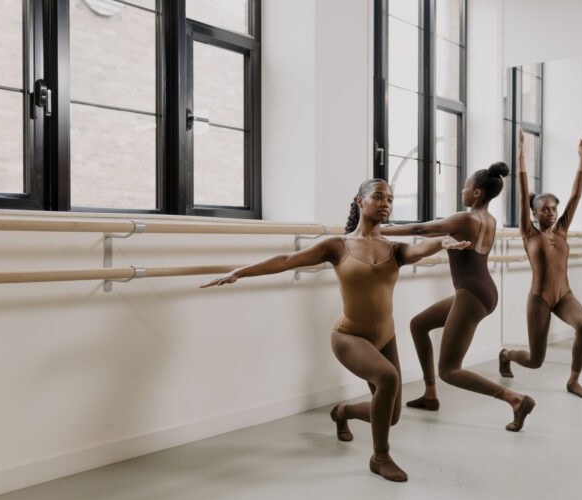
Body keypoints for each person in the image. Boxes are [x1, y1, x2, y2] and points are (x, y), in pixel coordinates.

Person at [200, 178, 467, 482]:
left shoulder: (394, 249)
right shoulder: (337, 246)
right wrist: (240, 272)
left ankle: (343, 413)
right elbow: (288, 260)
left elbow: (422, 247)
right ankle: (380, 457)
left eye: (390, 199)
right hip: (349, 336)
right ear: (360, 201)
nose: (385, 204)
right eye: (378, 197)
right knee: (388, 378)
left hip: (385, 337)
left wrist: (442, 242)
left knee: (390, 416)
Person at [380, 162, 535, 432]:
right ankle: (430, 395)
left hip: (472, 294)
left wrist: (380, 229)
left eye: (466, 186)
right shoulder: (489, 219)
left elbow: (421, 229)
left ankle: (515, 399)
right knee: (419, 324)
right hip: (481, 290)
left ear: (476, 193)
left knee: (450, 370)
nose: (462, 190)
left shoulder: (467, 219)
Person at [499, 130, 582, 398]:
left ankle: (573, 380)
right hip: (539, 298)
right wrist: (521, 158)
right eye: (545, 209)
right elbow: (523, 191)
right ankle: (507, 355)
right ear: (535, 213)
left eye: (553, 209)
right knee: (535, 361)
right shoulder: (529, 233)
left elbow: (575, 196)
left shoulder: (562, 229)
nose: (550, 213)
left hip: (564, 295)